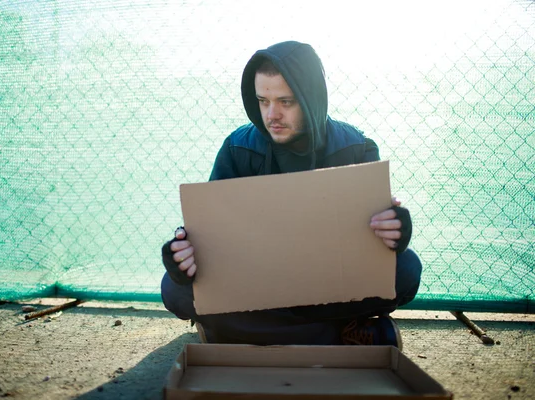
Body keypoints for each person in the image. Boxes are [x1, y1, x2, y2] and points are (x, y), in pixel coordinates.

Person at [160, 41, 422, 348]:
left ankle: (234, 332)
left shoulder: (357, 149)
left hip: (329, 282)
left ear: (310, 98)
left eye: (286, 102)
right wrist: (183, 257)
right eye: (262, 100)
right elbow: (209, 240)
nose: (272, 115)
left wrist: (396, 230)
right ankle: (337, 334)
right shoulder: (237, 148)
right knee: (174, 289)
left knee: (406, 270)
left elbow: (379, 243)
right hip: (257, 282)